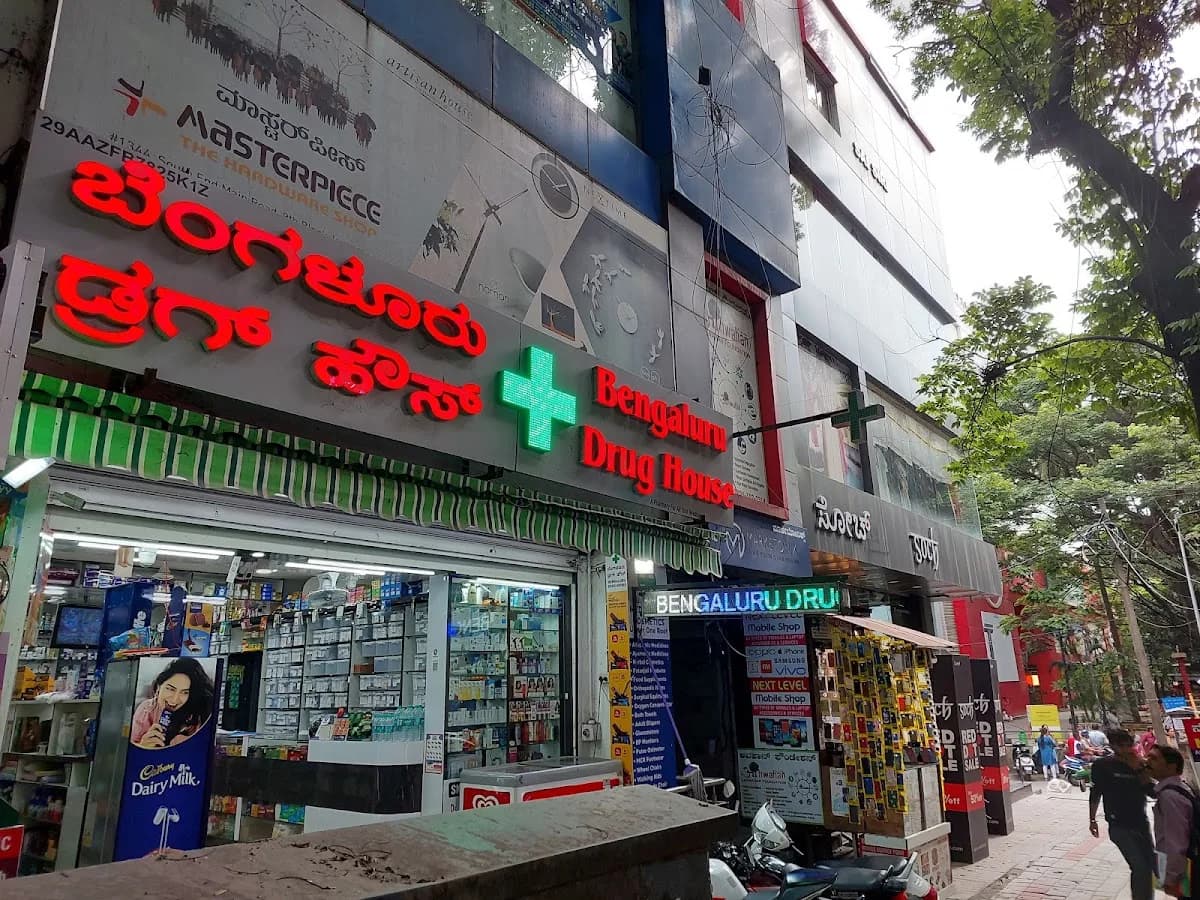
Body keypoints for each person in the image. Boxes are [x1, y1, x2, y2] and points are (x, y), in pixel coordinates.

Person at [1090, 728, 1155, 900]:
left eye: (1129, 745)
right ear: (1113, 746)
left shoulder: (1138, 764)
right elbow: (1096, 792)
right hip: (1118, 825)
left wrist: (1139, 769)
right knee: (1140, 866)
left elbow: (1152, 792)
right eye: (1122, 746)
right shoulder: (1103, 766)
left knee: (1150, 864)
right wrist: (1092, 819)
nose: (1127, 749)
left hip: (1140, 822)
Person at [130, 658, 215, 749]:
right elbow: (130, 747)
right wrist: (143, 746)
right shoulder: (147, 709)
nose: (174, 700)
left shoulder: (199, 715)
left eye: (185, 692)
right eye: (170, 689)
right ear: (159, 686)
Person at [1146, 744, 1195, 898]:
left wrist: (1171, 877)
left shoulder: (1169, 796)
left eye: (1154, 758)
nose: (1148, 761)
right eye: (1148, 757)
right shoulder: (1180, 787)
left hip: (1185, 869)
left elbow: (1176, 842)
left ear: (1171, 766)